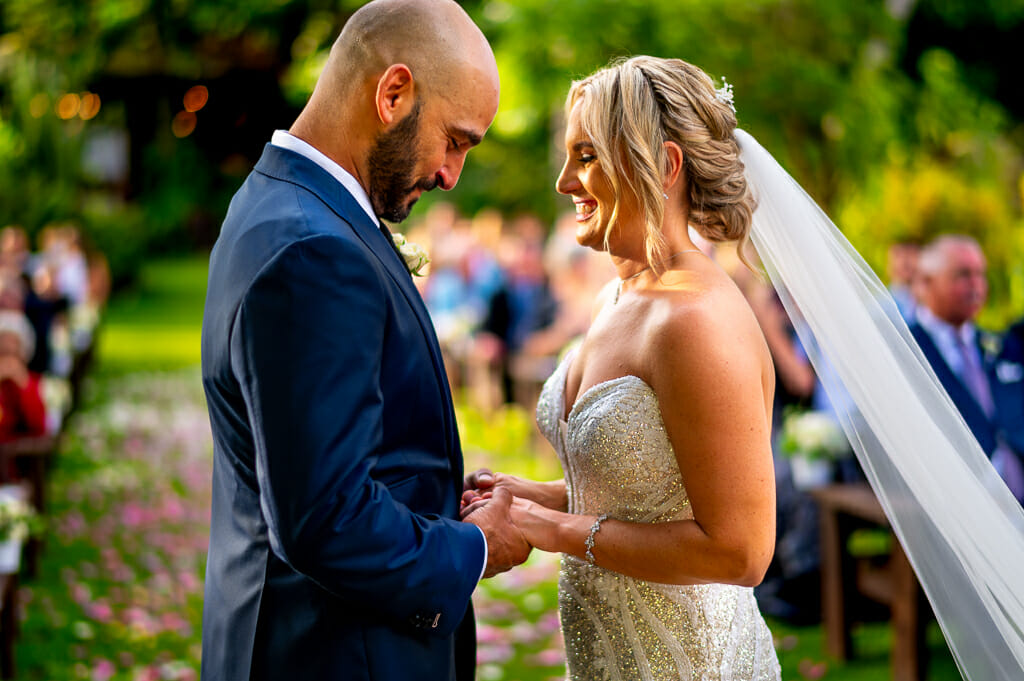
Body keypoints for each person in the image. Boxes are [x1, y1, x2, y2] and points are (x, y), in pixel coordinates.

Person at [199, 2, 530, 680]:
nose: (450, 174)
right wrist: (472, 547)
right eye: (456, 140)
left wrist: (436, 493)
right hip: (331, 654)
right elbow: (324, 515)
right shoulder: (315, 248)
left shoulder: (281, 201)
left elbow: (318, 449)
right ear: (393, 93)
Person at [465, 56, 781, 680]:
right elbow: (652, 493)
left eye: (585, 156)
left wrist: (550, 527)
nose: (563, 182)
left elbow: (740, 551)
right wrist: (531, 495)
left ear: (664, 166)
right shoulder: (617, 295)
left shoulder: (694, 322)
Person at [908, 235, 1024, 501]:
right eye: (963, 275)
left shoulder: (998, 344)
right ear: (925, 283)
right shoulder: (907, 350)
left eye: (980, 274)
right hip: (957, 501)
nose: (976, 285)